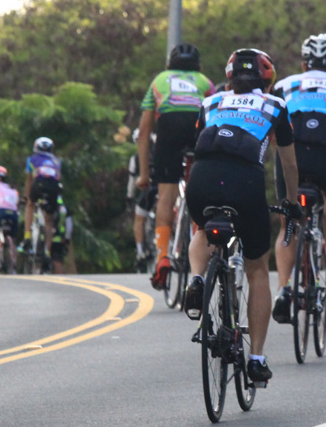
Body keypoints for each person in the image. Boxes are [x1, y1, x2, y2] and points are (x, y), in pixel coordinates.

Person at [181, 48, 303, 386]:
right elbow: (289, 164)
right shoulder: (275, 106)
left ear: (230, 76)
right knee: (257, 267)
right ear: (266, 80)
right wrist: (291, 203)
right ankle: (256, 358)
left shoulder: (210, 103)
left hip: (202, 181)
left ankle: (197, 278)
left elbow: (196, 148)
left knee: (203, 231)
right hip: (245, 184)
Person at [271, 34, 326, 323]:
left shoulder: (283, 84)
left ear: (304, 64)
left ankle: (283, 288)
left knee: (288, 221)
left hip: (291, 154)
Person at [136, 43, 215, 290]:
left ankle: (162, 257)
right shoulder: (205, 81)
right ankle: (197, 241)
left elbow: (145, 130)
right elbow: (216, 114)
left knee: (166, 196)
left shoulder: (159, 80)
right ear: (197, 66)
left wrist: (144, 174)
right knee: (198, 190)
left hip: (169, 126)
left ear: (170, 65)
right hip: (197, 125)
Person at [22, 137, 63, 264]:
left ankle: (27, 236)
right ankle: (47, 252)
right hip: (53, 188)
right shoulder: (57, 161)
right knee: (49, 220)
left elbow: (29, 180)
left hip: (39, 184)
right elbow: (59, 178)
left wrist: (27, 196)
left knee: (30, 204)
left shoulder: (31, 159)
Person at [127, 128, 158, 272]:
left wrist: (130, 197)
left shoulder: (135, 158)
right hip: (164, 188)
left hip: (148, 191)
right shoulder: (159, 152)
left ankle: (140, 251)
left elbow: (132, 181)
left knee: (139, 219)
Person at [49, 194, 73, 274]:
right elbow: (69, 226)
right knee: (57, 261)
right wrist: (67, 239)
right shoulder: (65, 209)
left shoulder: (47, 207)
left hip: (45, 240)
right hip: (59, 240)